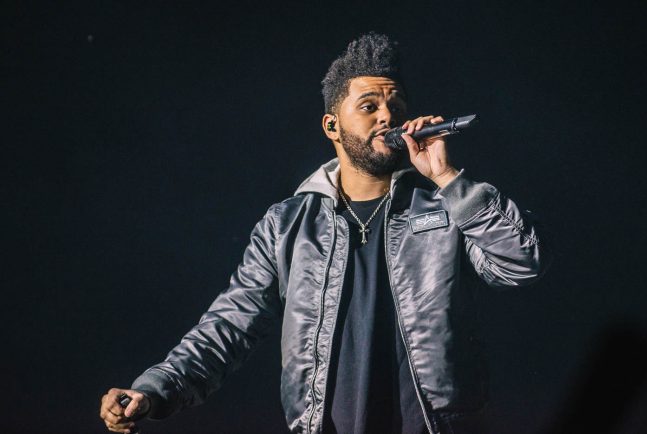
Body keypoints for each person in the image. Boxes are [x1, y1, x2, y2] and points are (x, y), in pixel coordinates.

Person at [99, 33, 550, 434]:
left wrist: (447, 178)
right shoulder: (287, 225)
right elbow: (229, 326)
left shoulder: (446, 208)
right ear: (332, 125)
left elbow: (523, 262)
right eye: (369, 106)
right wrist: (155, 389)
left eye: (396, 107)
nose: (387, 117)